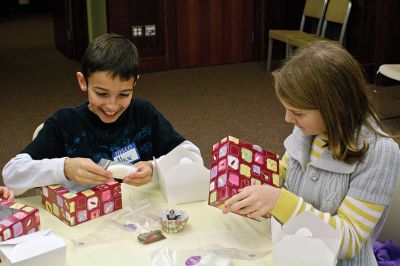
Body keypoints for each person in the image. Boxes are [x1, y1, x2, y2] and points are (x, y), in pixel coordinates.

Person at [223, 41, 400, 265]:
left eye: (297, 112)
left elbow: (349, 240)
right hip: (293, 251)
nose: (288, 119)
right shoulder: (309, 129)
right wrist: (254, 178)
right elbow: (285, 174)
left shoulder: (380, 153)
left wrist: (279, 202)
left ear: (335, 108)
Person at [2, 33, 202, 196]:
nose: (112, 105)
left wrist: (154, 168)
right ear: (83, 82)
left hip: (140, 215)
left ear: (135, 83)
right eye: (101, 93)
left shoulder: (143, 114)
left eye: (124, 94)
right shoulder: (65, 123)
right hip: (86, 224)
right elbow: (11, 175)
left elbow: (191, 155)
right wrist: (64, 168)